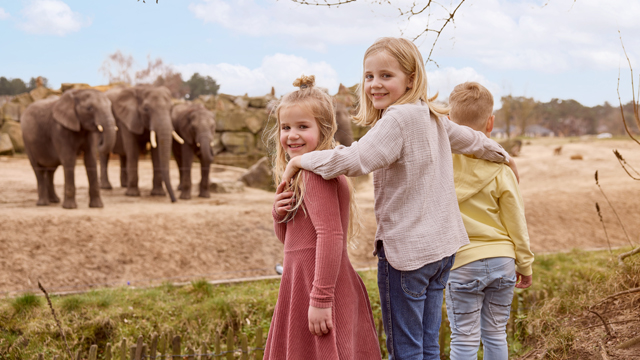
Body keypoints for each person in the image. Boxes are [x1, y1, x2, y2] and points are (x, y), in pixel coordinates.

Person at [281, 37, 517, 360]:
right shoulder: (428, 114)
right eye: (369, 76)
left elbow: (354, 161)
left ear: (410, 77)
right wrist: (503, 154)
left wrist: (299, 161)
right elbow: (471, 140)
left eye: (385, 76)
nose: (375, 84)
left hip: (407, 257)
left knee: (405, 351)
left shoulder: (397, 120)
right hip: (441, 252)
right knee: (428, 345)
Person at [263, 75, 382, 360]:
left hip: (319, 285)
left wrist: (320, 299)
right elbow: (290, 241)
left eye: (303, 127)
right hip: (303, 280)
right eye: (286, 127)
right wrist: (279, 214)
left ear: (324, 129)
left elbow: (331, 236)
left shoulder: (314, 174)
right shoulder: (299, 174)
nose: (292, 135)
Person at [445, 82, 534, 360]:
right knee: (496, 333)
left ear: (448, 121)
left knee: (464, 338)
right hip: (502, 260)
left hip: (461, 264)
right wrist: (525, 264)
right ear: (491, 122)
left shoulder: (441, 165)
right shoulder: (501, 168)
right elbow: (516, 222)